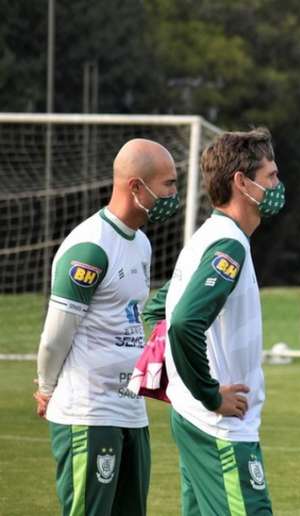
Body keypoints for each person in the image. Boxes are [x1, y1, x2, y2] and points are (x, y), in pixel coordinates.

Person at [34, 138, 179, 516]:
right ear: (136, 186)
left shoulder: (142, 243)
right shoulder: (90, 247)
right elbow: (56, 334)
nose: (174, 195)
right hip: (89, 412)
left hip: (131, 411)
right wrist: (46, 388)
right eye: (168, 184)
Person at [157, 128, 283, 515]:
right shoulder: (226, 244)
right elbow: (182, 323)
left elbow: (158, 308)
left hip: (197, 420)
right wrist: (210, 394)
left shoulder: (209, 237)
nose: (279, 185)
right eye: (272, 177)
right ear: (241, 183)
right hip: (220, 428)